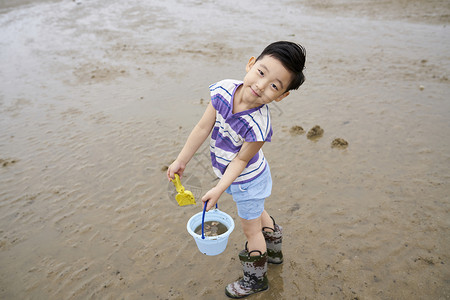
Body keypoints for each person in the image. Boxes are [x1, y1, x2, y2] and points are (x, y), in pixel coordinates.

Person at [167, 41, 306, 298]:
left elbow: (241, 162)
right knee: (256, 210)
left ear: (282, 95)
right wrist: (181, 160)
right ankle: (274, 249)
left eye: (275, 86)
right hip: (233, 178)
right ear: (251, 63)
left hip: (248, 180)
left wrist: (219, 189)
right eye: (261, 72)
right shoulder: (222, 90)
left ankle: (256, 279)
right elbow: (202, 128)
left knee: (250, 229)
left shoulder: (258, 126)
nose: (261, 85)